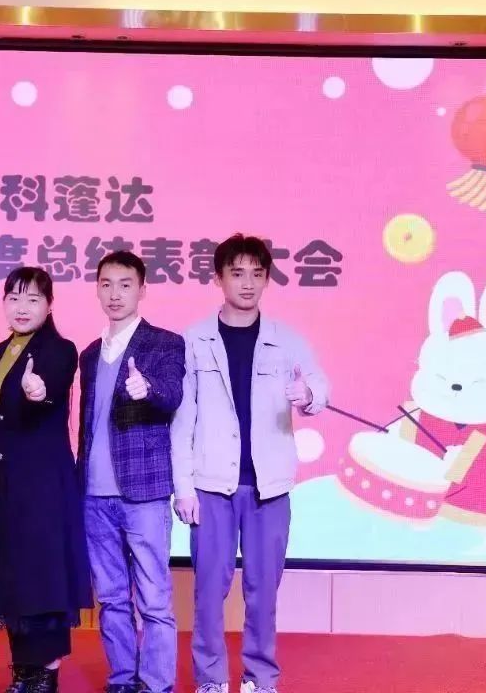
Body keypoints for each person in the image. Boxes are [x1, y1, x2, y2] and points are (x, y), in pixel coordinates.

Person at [170, 234, 330, 693]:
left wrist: (309, 394)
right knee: (208, 591)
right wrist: (183, 487)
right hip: (211, 485)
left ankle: (260, 678)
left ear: (266, 280)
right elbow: (182, 419)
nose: (247, 283)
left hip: (269, 486)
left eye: (257, 274)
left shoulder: (286, 340)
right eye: (237, 273)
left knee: (263, 591)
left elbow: (319, 385)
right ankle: (211, 679)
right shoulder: (194, 339)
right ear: (218, 278)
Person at [0, 266, 92, 693]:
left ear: (49, 305)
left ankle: (46, 672)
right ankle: (23, 670)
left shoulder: (60, 350)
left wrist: (39, 391)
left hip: (40, 490)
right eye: (14, 298)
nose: (22, 307)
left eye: (33, 299)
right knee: (10, 578)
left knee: (42, 578)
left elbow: (48, 390)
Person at [78, 251, 185, 693]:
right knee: (111, 598)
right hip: (93, 495)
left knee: (155, 599)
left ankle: (156, 684)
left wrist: (148, 389)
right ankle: (122, 678)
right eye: (106, 284)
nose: (115, 294)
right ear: (97, 289)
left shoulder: (165, 343)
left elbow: (173, 394)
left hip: (144, 493)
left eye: (125, 284)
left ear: (142, 289)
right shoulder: (88, 354)